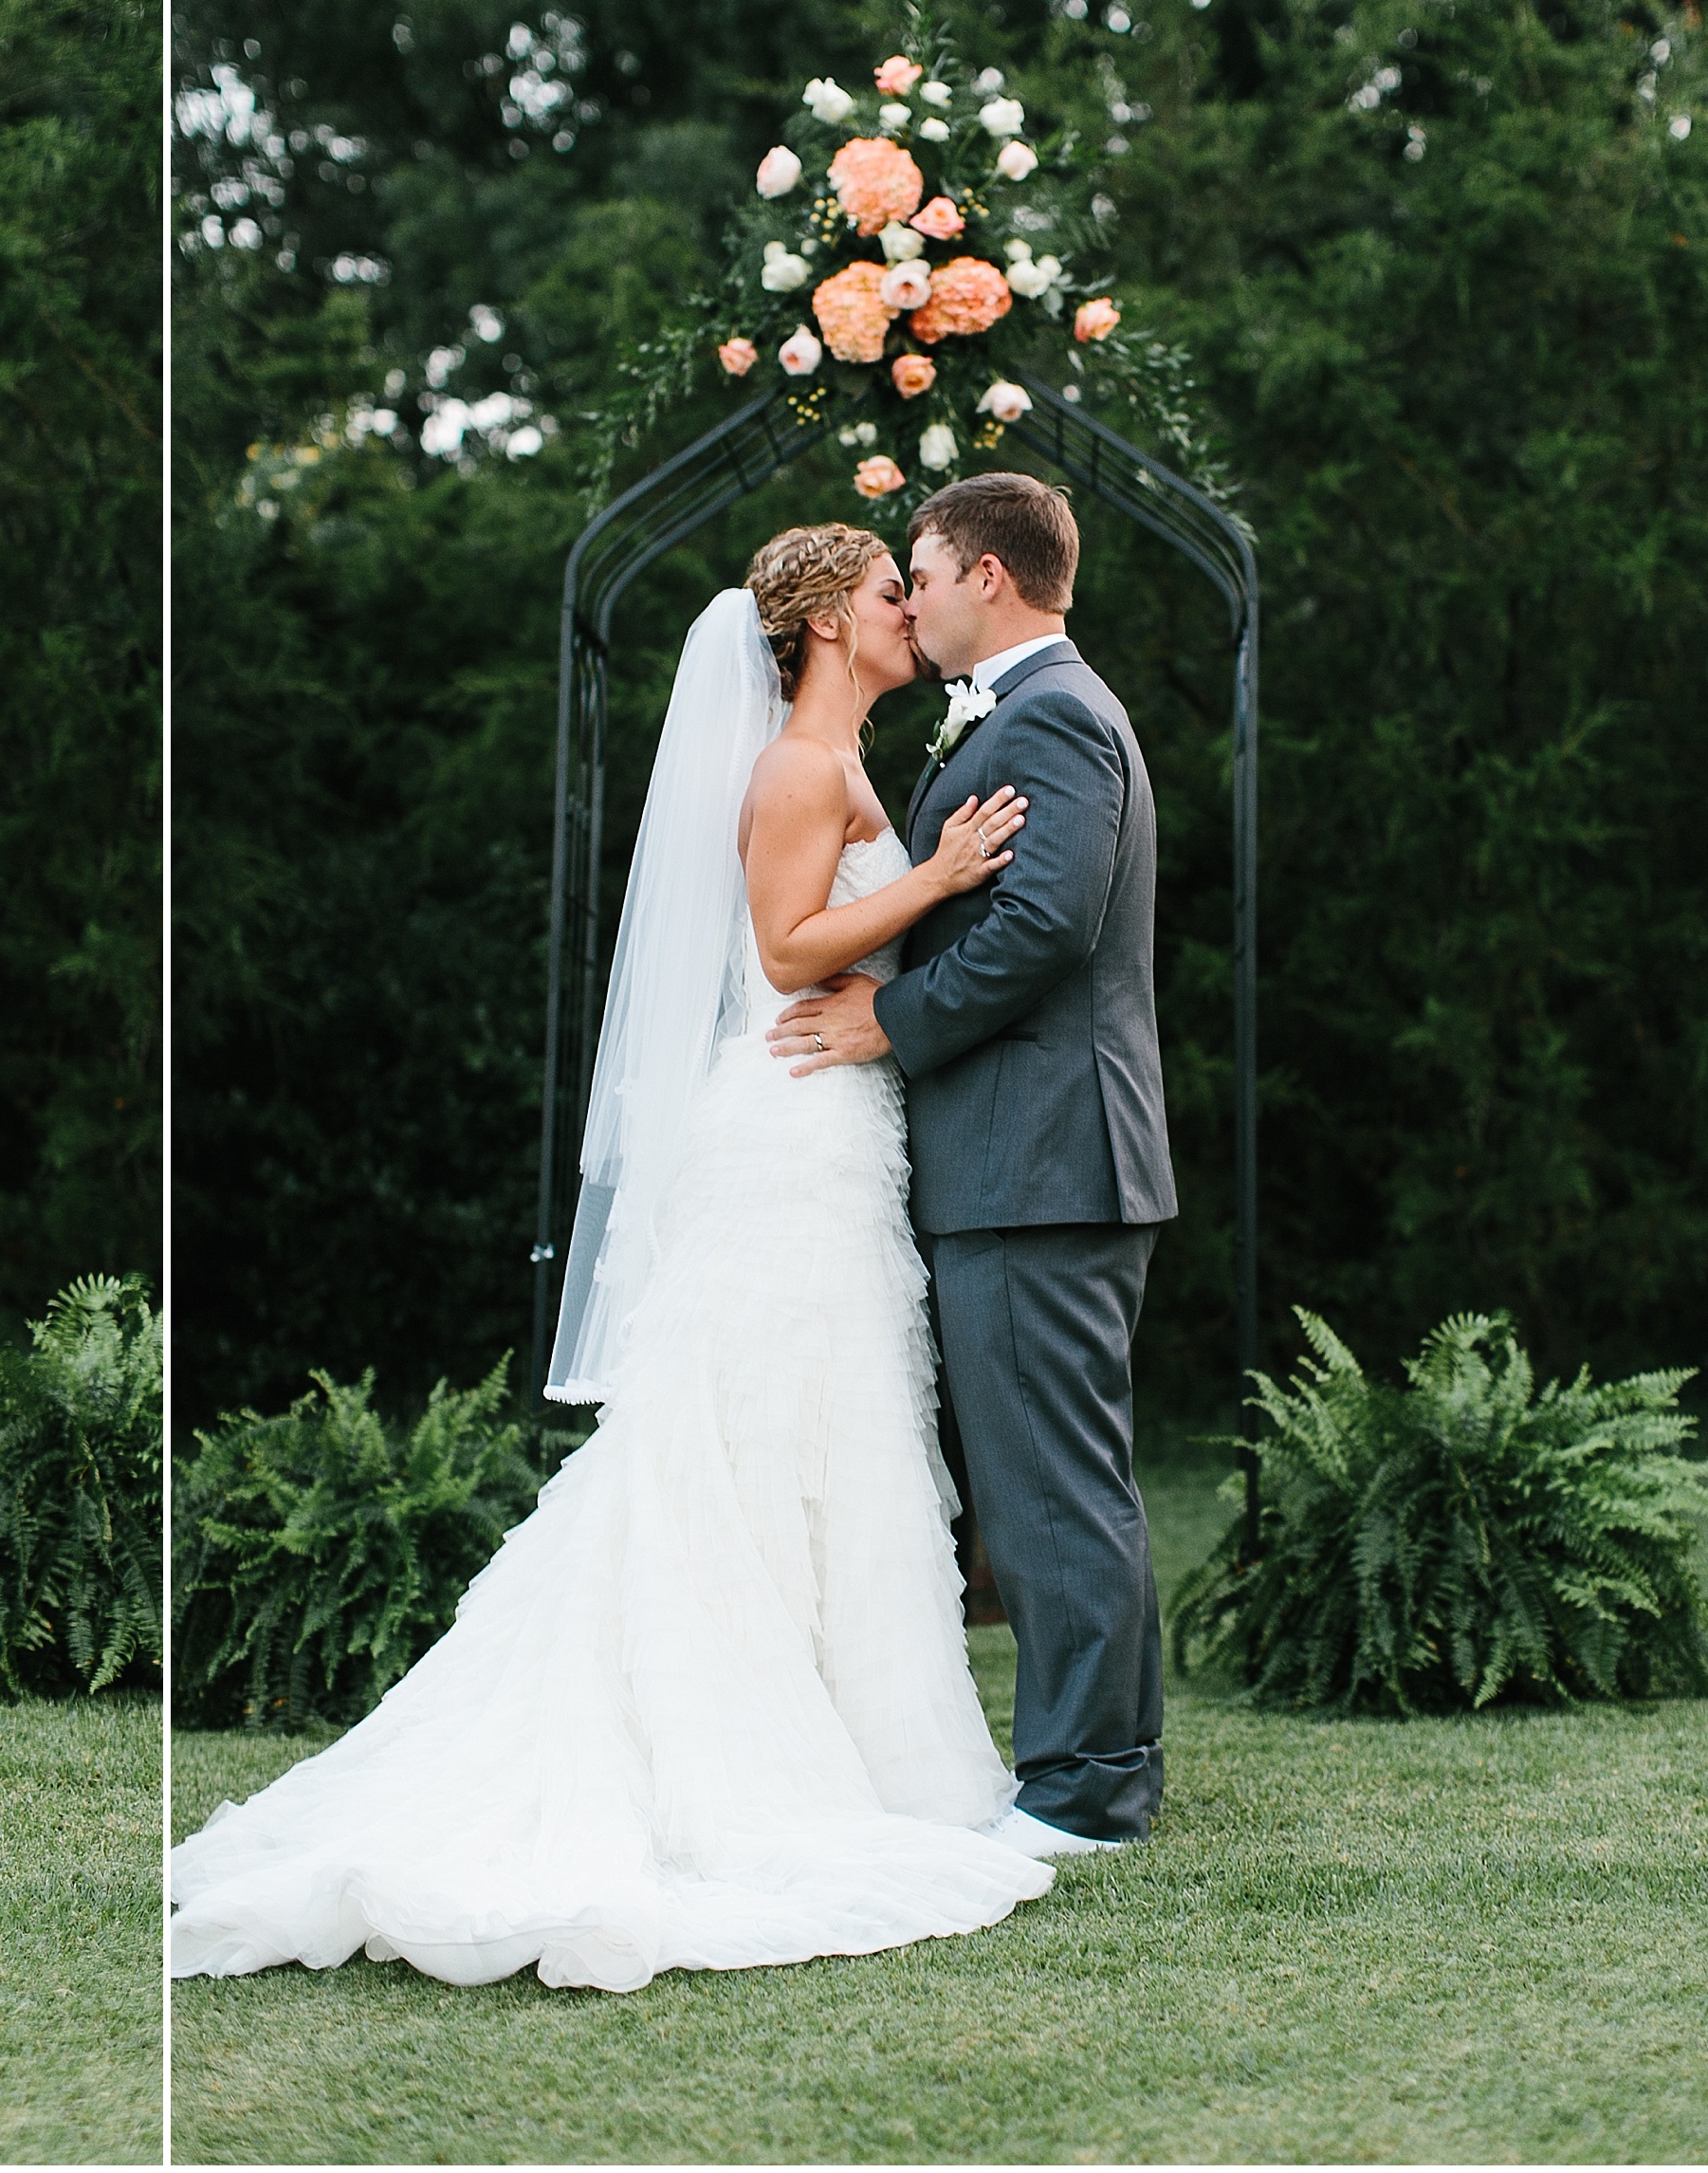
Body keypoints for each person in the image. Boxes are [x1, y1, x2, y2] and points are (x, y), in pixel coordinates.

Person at [169, 522, 1055, 1994]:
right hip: (785, 1137)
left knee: (821, 1446)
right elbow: (784, 950)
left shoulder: (836, 764)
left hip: (836, 1135)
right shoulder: (794, 767)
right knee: (741, 1449)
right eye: (891, 592)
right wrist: (944, 874)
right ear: (830, 620)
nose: (912, 607)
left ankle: (860, 1737)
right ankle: (744, 1749)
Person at [767, 472, 1175, 1855]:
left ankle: (1085, 1788)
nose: (915, 595)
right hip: (1036, 1156)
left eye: (925, 572)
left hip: (1042, 1155)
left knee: (1050, 1482)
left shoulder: (1052, 715)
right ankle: (1105, 1759)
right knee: (1060, 1475)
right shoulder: (1040, 711)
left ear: (986, 577)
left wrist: (893, 1014)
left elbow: (1047, 926)